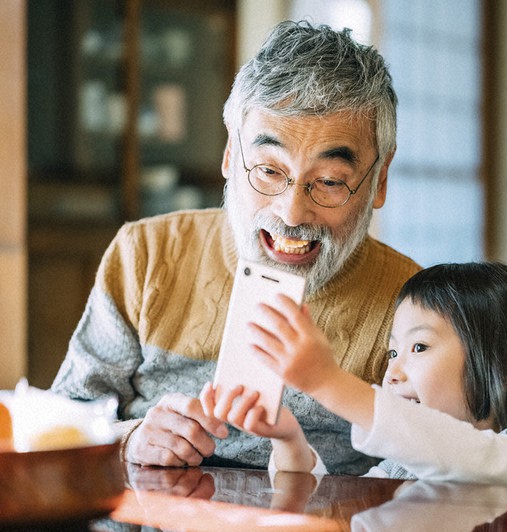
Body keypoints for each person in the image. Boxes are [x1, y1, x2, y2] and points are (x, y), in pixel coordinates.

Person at [49, 20, 420, 474]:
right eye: (267, 170)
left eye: (328, 182)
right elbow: (65, 416)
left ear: (379, 180)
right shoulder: (145, 254)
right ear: (230, 155)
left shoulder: (415, 305)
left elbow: (432, 461)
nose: (291, 213)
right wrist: (130, 439)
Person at [202, 262, 507, 488]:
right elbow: (323, 509)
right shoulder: (396, 470)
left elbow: (471, 459)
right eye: (392, 352)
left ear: (502, 364)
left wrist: (328, 382)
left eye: (418, 348)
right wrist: (288, 442)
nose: (393, 372)